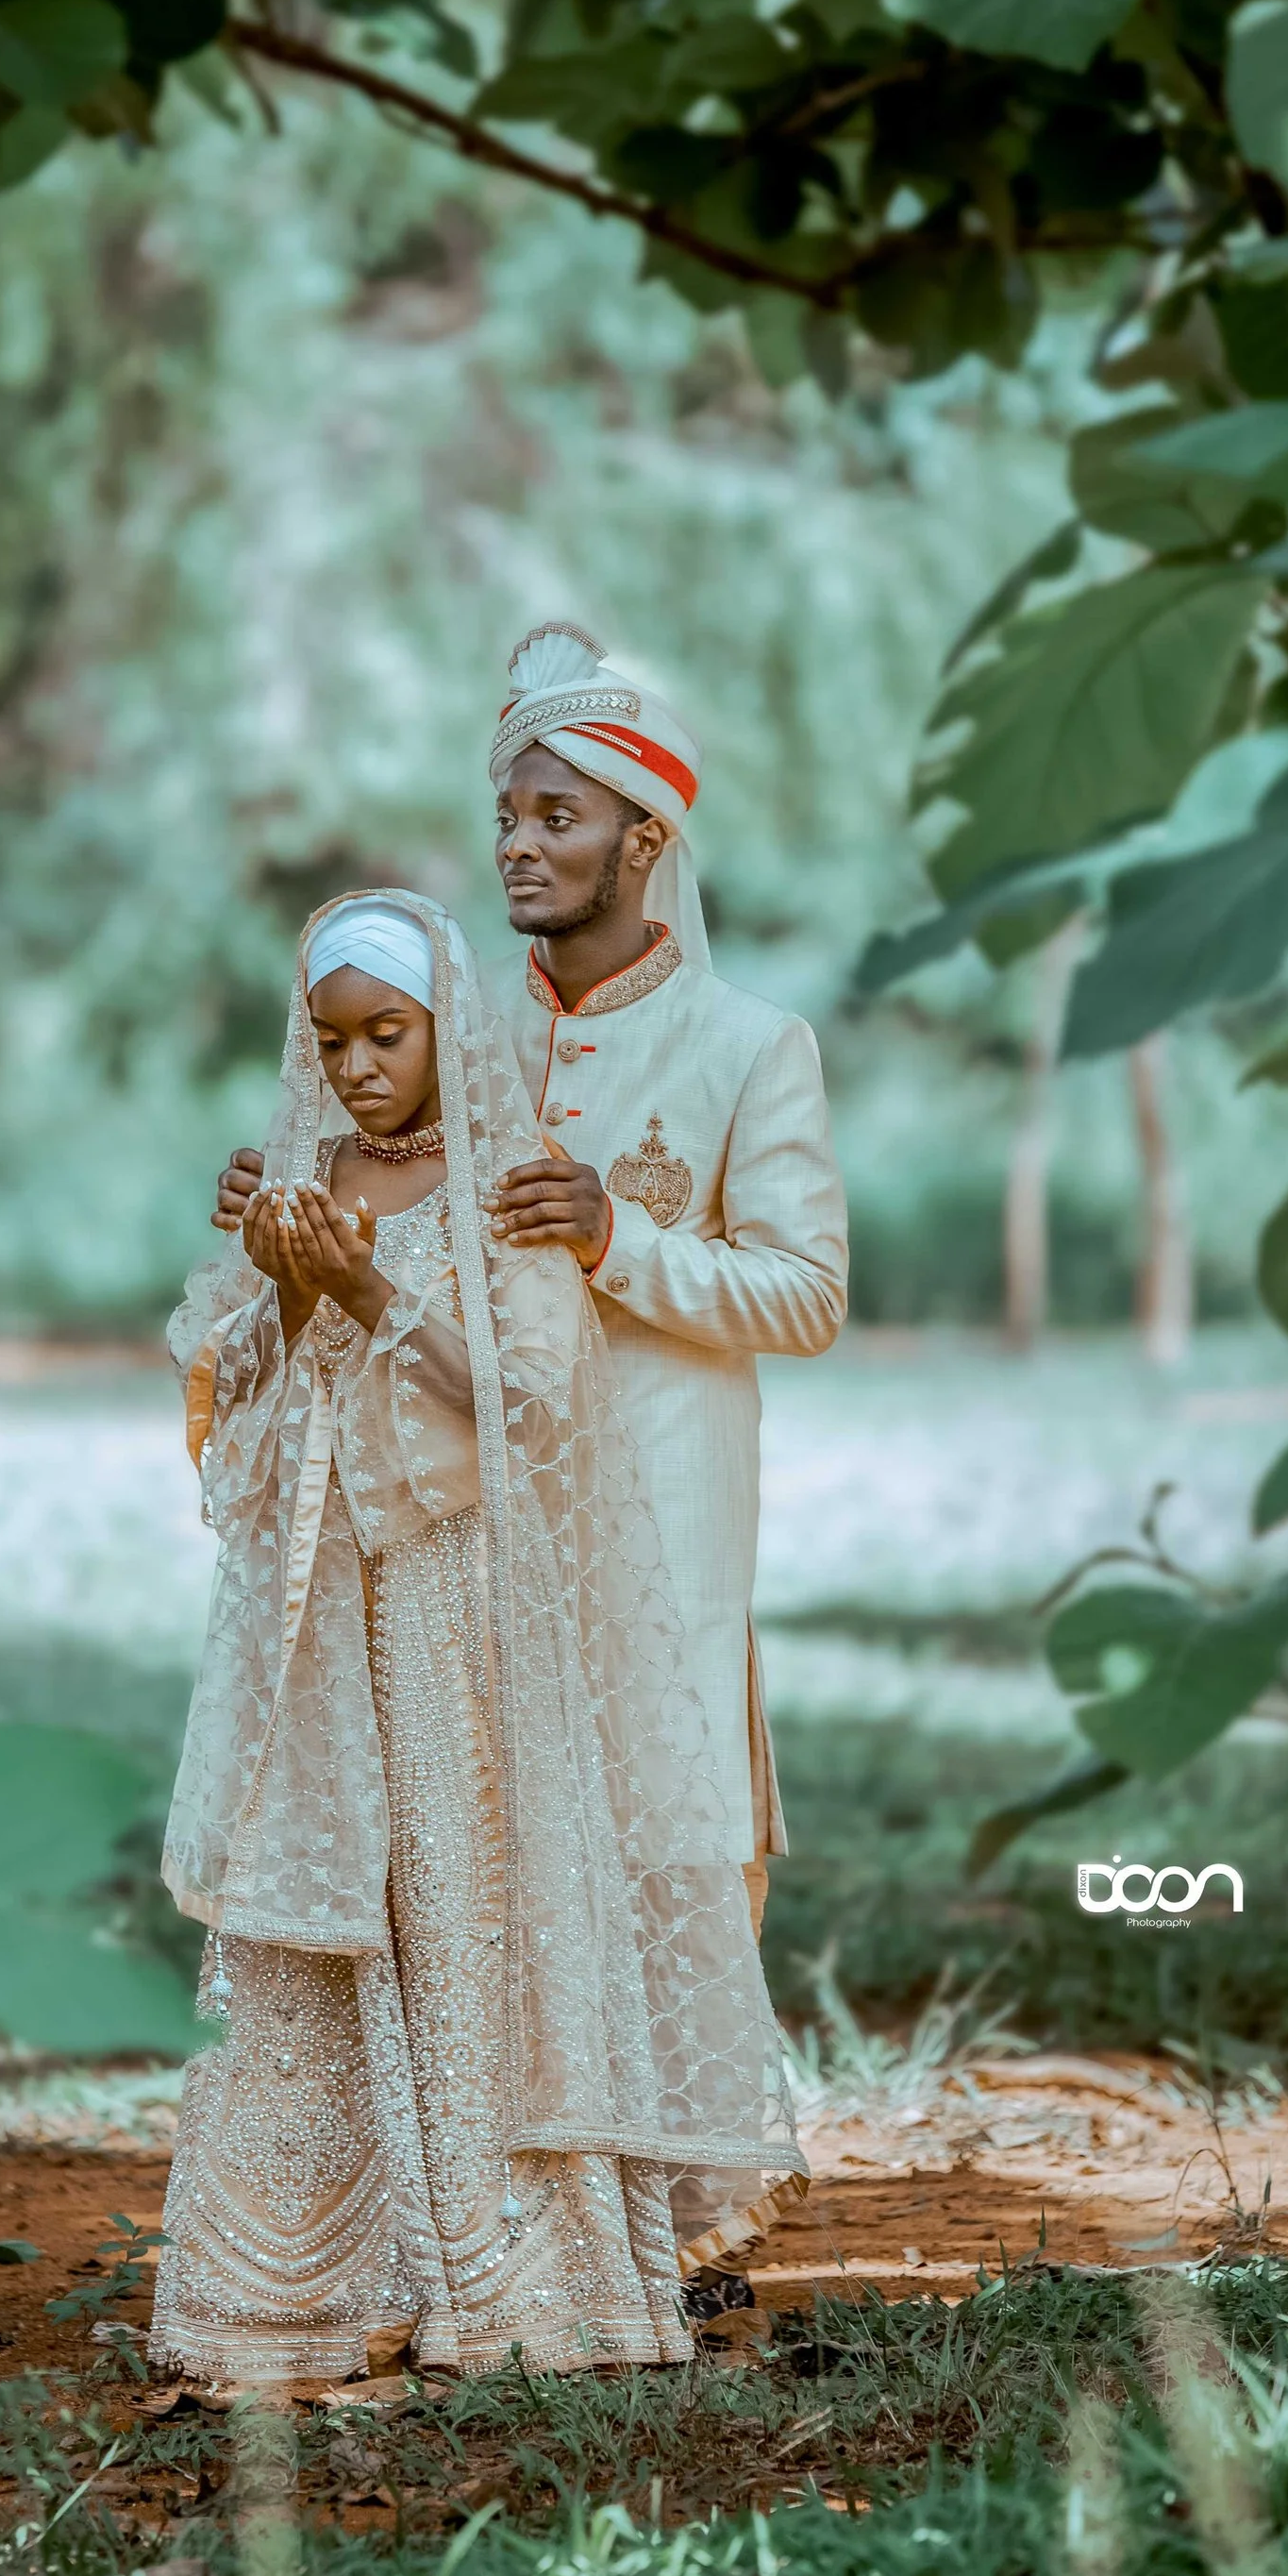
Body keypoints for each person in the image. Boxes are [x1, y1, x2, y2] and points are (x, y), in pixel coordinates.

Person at [154, 892, 801, 2390]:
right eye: (336, 1041)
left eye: (391, 1034)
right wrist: (280, 1280)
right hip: (325, 1616)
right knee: (319, 1910)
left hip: (459, 1610)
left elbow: (532, 1410)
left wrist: (371, 1289)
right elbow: (232, 1402)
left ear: (452, 1030)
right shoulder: (302, 1180)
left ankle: (506, 2269)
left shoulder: (499, 1189)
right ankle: (298, 2277)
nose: (364, 1065)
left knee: (460, 1888)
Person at [218, 627, 850, 1922]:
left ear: (645, 839)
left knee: (662, 1869)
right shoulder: (458, 1030)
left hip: (662, 1507)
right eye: (506, 815)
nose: (516, 843)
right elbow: (377, 1216)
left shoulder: (751, 1046)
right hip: (464, 1511)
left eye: (557, 814)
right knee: (476, 1878)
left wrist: (617, 1237)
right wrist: (294, 1211)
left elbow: (808, 1297)